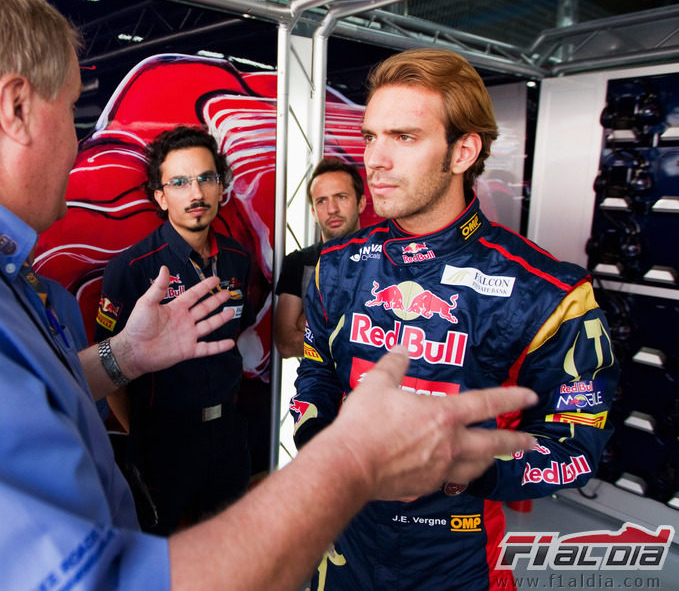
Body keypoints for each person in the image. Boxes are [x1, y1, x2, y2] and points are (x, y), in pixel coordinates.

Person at [0, 0, 541, 591]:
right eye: (73, 111)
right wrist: (353, 464)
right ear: (14, 107)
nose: (79, 145)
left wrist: (120, 360)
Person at [290, 48, 620, 590]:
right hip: (342, 537)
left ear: (463, 150)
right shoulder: (337, 266)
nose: (374, 159)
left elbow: (577, 445)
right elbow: (316, 373)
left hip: (457, 554)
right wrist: (324, 444)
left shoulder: (549, 292)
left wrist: (456, 467)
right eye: (371, 136)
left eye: (404, 137)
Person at [95, 125, 255, 535]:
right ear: (161, 196)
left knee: (229, 551)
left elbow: (238, 331)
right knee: (160, 558)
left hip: (229, 434)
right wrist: (142, 432)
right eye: (180, 183)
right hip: (162, 442)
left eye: (206, 179)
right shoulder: (132, 269)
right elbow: (107, 365)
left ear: (222, 187)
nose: (196, 194)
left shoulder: (238, 258)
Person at [274, 158, 366, 358]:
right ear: (313, 212)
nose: (331, 209)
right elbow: (286, 344)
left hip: (370, 386)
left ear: (361, 202)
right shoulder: (298, 262)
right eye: (321, 201)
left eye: (341, 197)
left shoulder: (383, 259)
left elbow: (391, 338)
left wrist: (309, 323)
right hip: (317, 387)